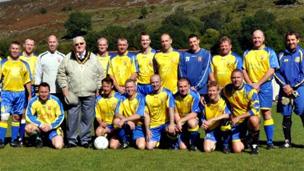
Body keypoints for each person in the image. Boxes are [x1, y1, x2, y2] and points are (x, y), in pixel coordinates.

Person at [57, 36, 104, 148]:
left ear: (85, 44)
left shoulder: (93, 57)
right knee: (72, 118)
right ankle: (72, 139)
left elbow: (101, 74)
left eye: (81, 44)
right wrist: (65, 89)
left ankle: (85, 139)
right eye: (76, 44)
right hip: (73, 94)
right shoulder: (67, 58)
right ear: (73, 46)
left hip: (90, 93)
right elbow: (61, 74)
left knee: (87, 118)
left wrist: (98, 88)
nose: (79, 46)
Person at [242, 29, 279, 149]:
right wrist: (251, 84)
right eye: (254, 38)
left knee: (266, 112)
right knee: (252, 115)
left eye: (259, 37)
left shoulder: (270, 52)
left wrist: (258, 83)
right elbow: (243, 70)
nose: (256, 40)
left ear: (263, 38)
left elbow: (272, 69)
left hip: (265, 86)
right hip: (250, 87)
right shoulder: (247, 52)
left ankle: (269, 142)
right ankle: (252, 140)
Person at [274, 31, 304, 148]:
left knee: (302, 111)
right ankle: (287, 141)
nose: (291, 42)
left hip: (299, 89)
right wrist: (285, 86)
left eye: (293, 40)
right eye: (288, 40)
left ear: (298, 40)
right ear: (285, 41)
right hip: (284, 90)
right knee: (286, 114)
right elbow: (276, 73)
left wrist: (293, 86)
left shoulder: (302, 53)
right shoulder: (281, 55)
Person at [0, 41, 32, 148]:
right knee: (4, 117)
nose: (15, 50)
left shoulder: (24, 64)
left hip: (20, 94)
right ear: (10, 49)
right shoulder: (3, 63)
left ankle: (14, 140)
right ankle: (1, 140)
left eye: (17, 49)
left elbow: (27, 81)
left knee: (16, 117)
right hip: (6, 93)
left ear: (19, 50)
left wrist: (30, 94)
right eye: (13, 48)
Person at [222, 69, 260, 154]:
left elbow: (255, 110)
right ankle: (246, 140)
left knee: (254, 120)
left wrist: (238, 117)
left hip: (247, 120)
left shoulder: (250, 90)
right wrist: (204, 98)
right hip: (236, 122)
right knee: (237, 150)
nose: (236, 80)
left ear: (243, 78)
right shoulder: (227, 89)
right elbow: (219, 94)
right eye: (233, 78)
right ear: (231, 79)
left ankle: (254, 145)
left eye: (238, 77)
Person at [25, 82, 64, 149]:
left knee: (58, 146)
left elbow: (61, 116)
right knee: (28, 128)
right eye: (41, 92)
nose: (43, 94)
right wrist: (41, 124)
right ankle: (38, 137)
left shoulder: (56, 100)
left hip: (53, 129)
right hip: (40, 128)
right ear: (38, 92)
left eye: (46, 92)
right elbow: (28, 115)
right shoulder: (33, 101)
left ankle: (48, 139)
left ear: (49, 92)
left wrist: (50, 126)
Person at [112, 79, 146, 150]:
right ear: (125, 88)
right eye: (127, 87)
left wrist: (125, 119)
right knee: (113, 145)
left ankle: (131, 140)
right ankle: (125, 140)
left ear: (135, 87)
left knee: (141, 146)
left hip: (137, 126)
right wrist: (127, 121)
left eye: (131, 87)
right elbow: (117, 113)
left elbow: (139, 115)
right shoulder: (122, 98)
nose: (129, 89)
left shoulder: (141, 97)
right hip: (126, 125)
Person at [144, 74, 176, 150]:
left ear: (161, 82)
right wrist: (147, 129)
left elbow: (171, 108)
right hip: (154, 125)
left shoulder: (167, 93)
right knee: (149, 147)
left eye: (157, 82)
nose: (155, 84)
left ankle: (174, 142)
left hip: (166, 123)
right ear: (150, 83)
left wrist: (171, 123)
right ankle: (161, 141)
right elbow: (146, 115)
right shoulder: (147, 97)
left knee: (172, 131)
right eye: (153, 82)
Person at [201, 81, 231, 153]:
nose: (211, 93)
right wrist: (203, 123)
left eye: (214, 90)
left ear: (218, 91)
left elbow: (228, 115)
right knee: (207, 149)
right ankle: (217, 142)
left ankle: (225, 145)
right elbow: (202, 117)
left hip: (223, 127)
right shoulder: (204, 101)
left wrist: (212, 120)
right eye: (210, 91)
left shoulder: (224, 101)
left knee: (226, 122)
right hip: (212, 130)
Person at [19, 38, 38, 144]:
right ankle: (20, 137)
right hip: (21, 88)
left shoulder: (37, 59)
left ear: (34, 46)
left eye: (32, 44)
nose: (30, 46)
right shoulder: (19, 58)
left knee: (33, 114)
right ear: (24, 45)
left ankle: (33, 137)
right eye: (28, 44)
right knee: (21, 113)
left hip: (34, 88)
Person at [174, 78, 200, 150]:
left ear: (189, 86)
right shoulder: (174, 97)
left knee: (191, 122)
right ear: (177, 87)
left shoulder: (194, 96)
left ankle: (193, 143)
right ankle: (178, 141)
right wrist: (178, 123)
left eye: (185, 86)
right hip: (180, 121)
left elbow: (194, 113)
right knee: (183, 147)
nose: (183, 89)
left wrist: (180, 121)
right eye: (181, 87)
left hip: (190, 119)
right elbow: (175, 113)